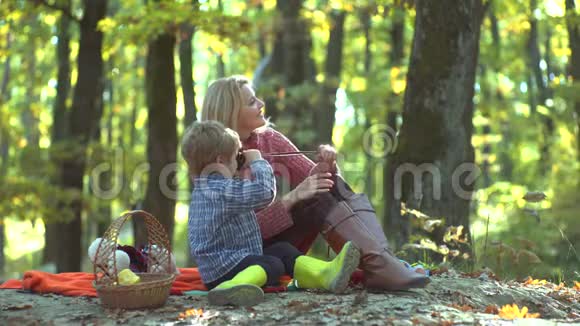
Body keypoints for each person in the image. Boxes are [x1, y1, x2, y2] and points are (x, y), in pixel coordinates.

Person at [200, 75, 430, 291]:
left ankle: (383, 262)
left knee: (327, 186)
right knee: (313, 193)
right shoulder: (217, 158)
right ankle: (384, 266)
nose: (261, 103)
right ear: (231, 112)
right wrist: (292, 198)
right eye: (251, 102)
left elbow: (319, 180)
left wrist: (326, 165)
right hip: (248, 254)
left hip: (281, 239)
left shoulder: (269, 139)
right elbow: (241, 233)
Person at [181, 121, 361, 306]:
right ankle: (232, 287)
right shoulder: (220, 189)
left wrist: (236, 161)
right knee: (273, 265)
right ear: (220, 161)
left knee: (283, 250)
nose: (238, 165)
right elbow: (265, 191)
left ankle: (325, 274)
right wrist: (258, 161)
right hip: (223, 271)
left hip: (227, 263)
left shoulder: (209, 187)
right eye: (236, 158)